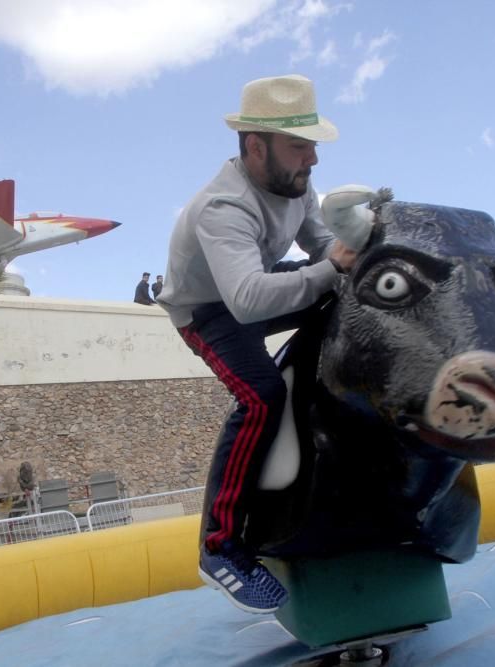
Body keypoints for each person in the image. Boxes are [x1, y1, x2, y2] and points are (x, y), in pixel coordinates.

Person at [157, 74, 360, 614]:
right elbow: (247, 301)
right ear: (255, 146)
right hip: (208, 312)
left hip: (255, 285)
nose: (312, 158)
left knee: (345, 291)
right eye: (300, 145)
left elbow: (324, 247)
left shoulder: (295, 184)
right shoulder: (223, 207)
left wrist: (364, 250)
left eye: (312, 145)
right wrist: (330, 268)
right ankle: (220, 548)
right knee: (262, 395)